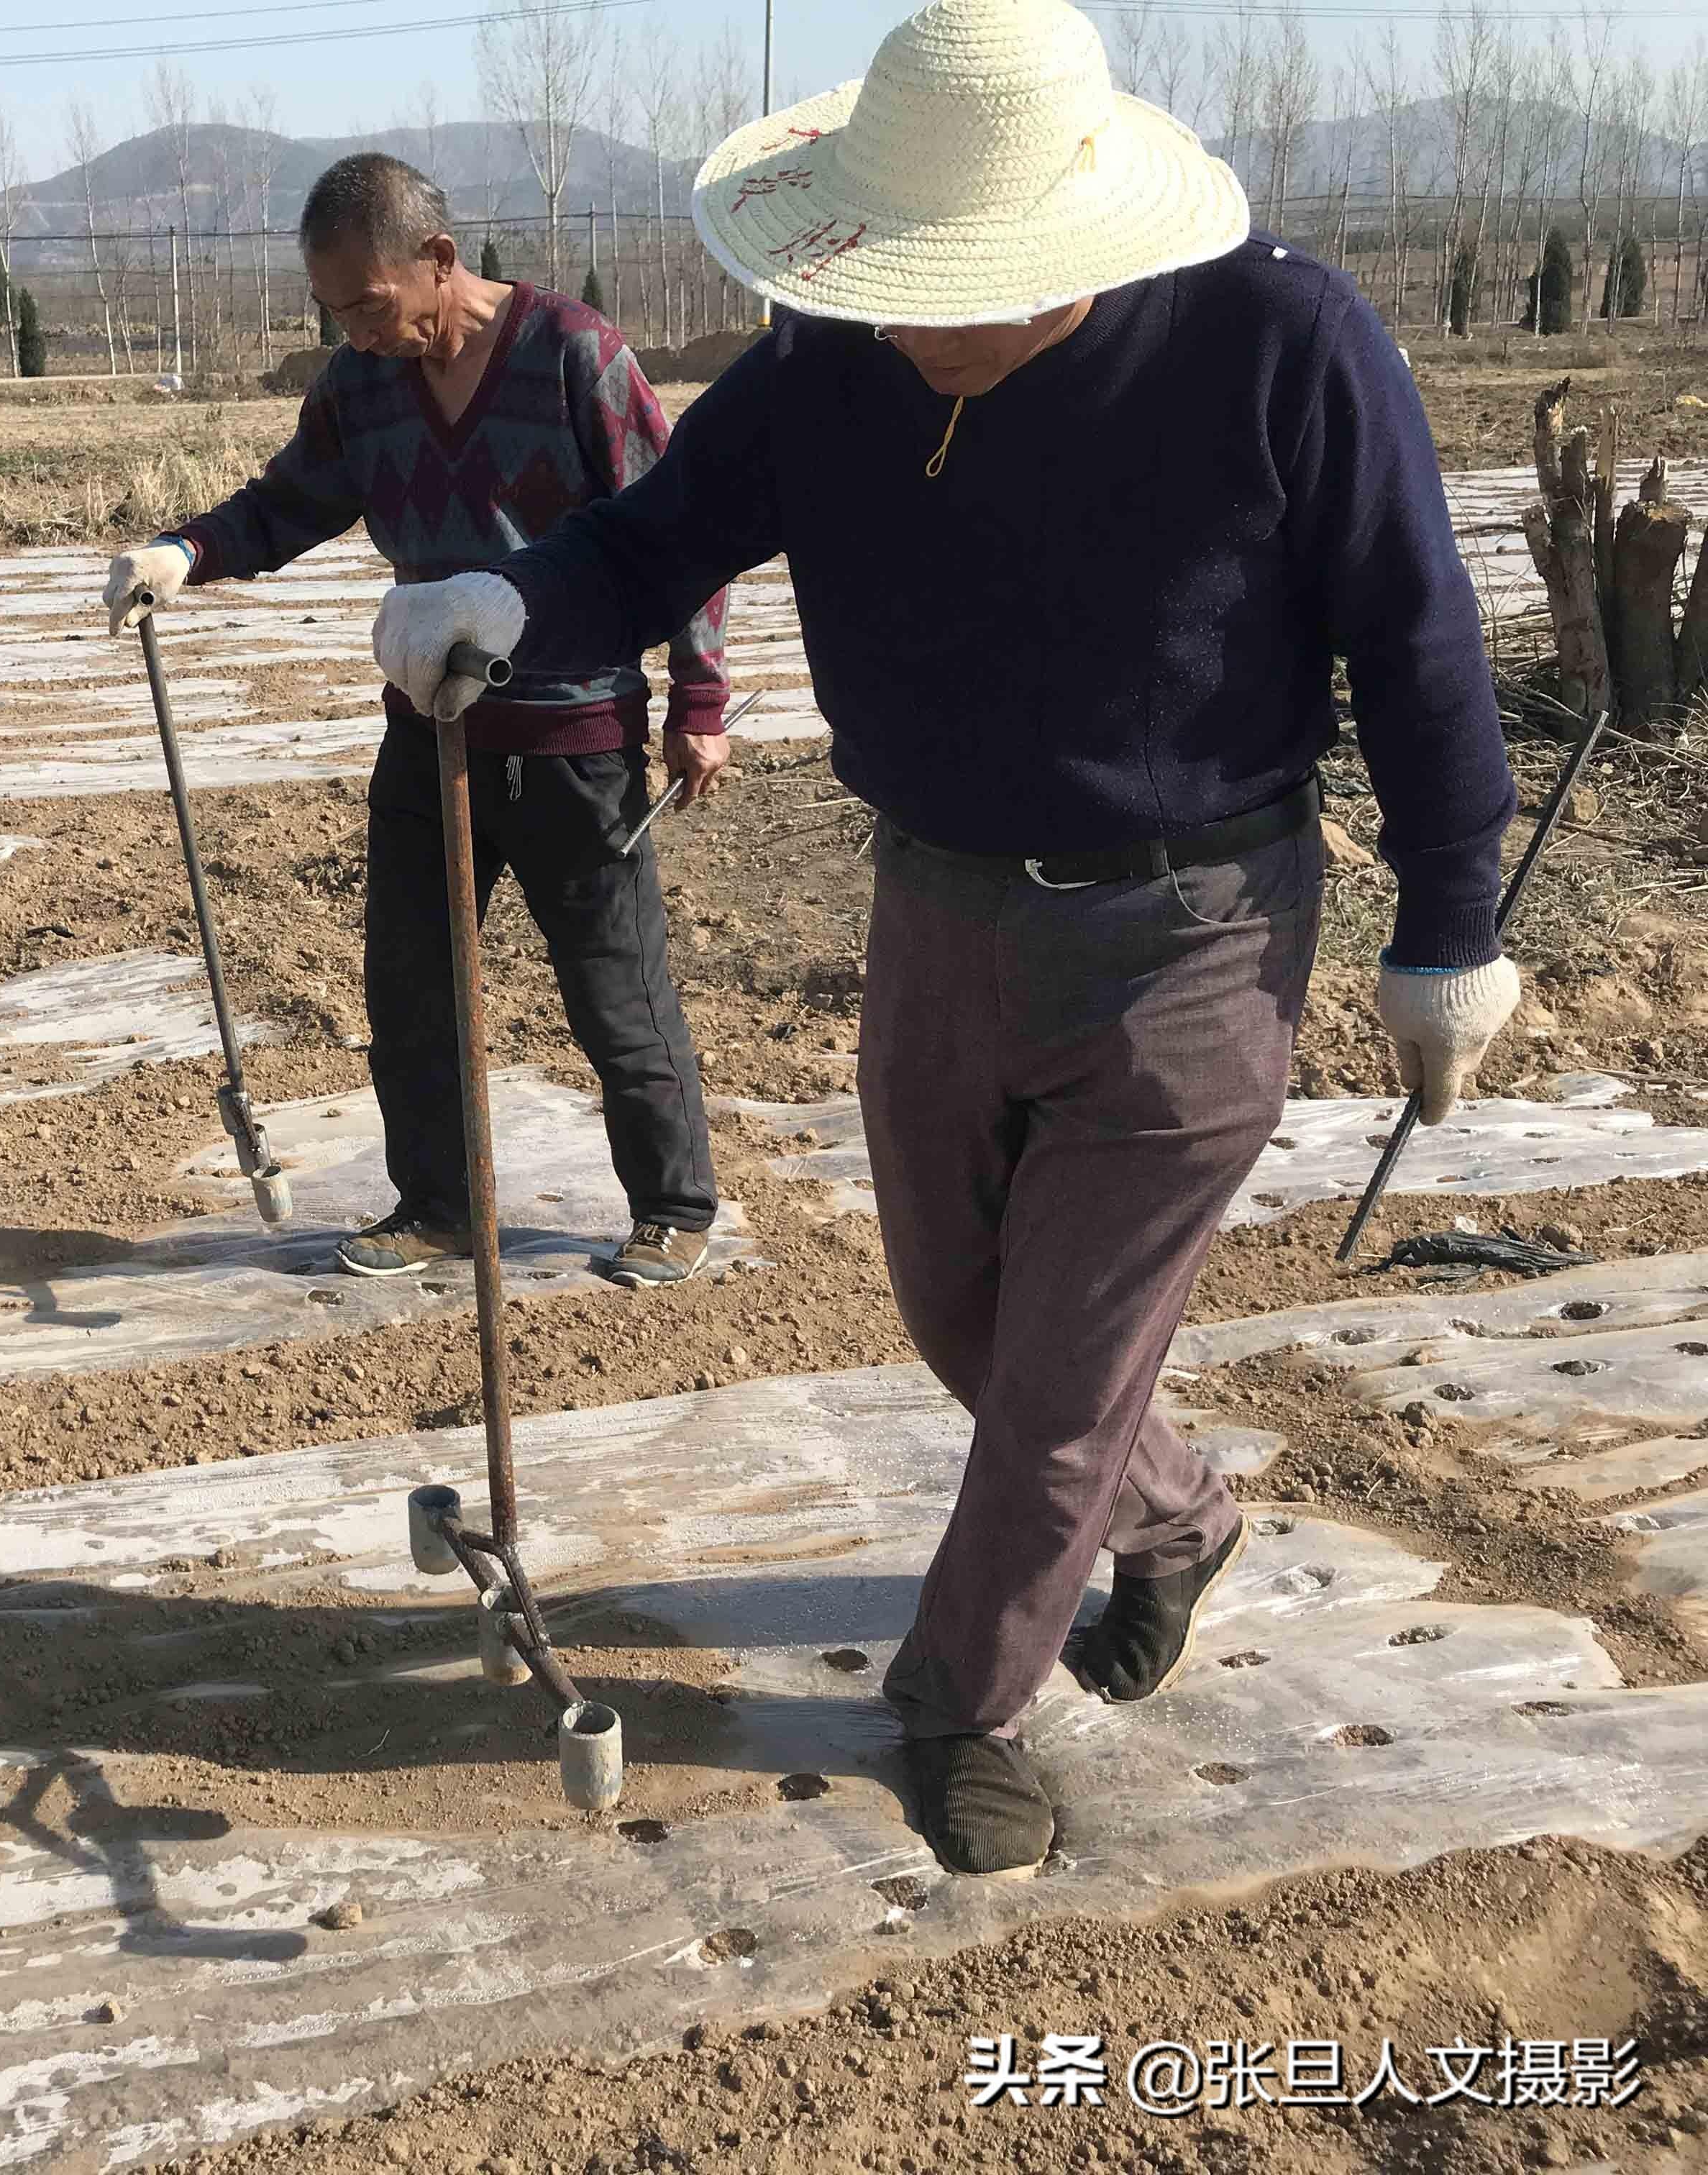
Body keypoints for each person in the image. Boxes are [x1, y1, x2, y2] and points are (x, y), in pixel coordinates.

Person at [370, 0, 1520, 1875]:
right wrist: (507, 599)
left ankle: (959, 1703)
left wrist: (1451, 927)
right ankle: (1180, 1520)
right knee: (967, 1322)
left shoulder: (1276, 342)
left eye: (941, 282)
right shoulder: (836, 362)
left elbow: (1418, 639)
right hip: (940, 910)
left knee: (1058, 1381)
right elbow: (657, 542)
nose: (902, 319)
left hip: (1195, 939)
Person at [104, 152, 734, 1288]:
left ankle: (674, 1205)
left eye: (369, 304)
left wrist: (698, 700)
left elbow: (677, 527)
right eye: (332, 309)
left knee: (613, 988)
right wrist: (184, 554)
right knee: (410, 986)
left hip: (571, 738)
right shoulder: (362, 387)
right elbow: (288, 503)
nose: (351, 330)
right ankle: (439, 1204)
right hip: (428, 728)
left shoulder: (573, 355)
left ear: (438, 261)